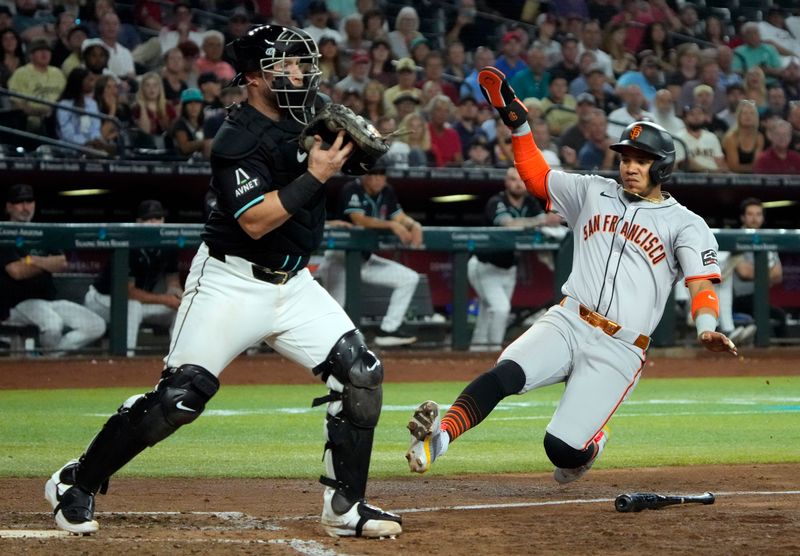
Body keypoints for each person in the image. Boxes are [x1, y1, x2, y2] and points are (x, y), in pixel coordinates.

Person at [44, 25, 402, 539]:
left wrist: (360, 154)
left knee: (361, 373)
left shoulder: (311, 109)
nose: (301, 74)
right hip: (229, 281)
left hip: (293, 283)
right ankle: (76, 481)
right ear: (255, 78)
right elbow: (256, 220)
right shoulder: (235, 138)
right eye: (288, 66)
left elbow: (361, 158)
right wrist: (319, 173)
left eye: (303, 65)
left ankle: (346, 506)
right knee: (181, 398)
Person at [404, 66, 736, 483]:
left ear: (662, 168)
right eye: (626, 158)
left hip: (621, 347)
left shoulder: (685, 223)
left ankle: (594, 441)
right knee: (505, 374)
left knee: (561, 450)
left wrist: (706, 327)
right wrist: (520, 127)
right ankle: (442, 437)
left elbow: (701, 283)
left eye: (642, 161)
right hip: (570, 318)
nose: (630, 167)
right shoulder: (592, 190)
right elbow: (537, 178)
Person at [320, 157, 422, 347]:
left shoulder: (387, 191)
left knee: (408, 278)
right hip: (340, 259)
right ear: (364, 175)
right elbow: (359, 219)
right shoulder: (352, 189)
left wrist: (413, 224)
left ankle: (388, 330)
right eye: (373, 174)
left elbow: (399, 217)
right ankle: (320, 346)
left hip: (365, 260)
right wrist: (391, 225)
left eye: (381, 175)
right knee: (334, 309)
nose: (377, 179)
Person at [1, 184, 106, 354]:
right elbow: (17, 272)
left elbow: (62, 262)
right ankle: (48, 364)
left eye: (29, 201)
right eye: (19, 202)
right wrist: (45, 262)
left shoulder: (42, 232)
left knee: (96, 325)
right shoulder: (3, 233)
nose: (25, 207)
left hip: (49, 301)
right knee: (53, 325)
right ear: (8, 206)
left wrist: (32, 261)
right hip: (17, 305)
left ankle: (49, 357)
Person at [467, 166, 561, 352]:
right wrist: (541, 219)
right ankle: (493, 352)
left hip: (509, 268)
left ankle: (476, 351)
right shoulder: (497, 201)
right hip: (485, 265)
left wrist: (549, 218)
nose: (517, 184)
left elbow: (550, 221)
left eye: (521, 180)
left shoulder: (530, 202)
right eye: (512, 179)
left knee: (489, 311)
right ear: (506, 182)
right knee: (500, 309)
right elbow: (508, 224)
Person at [84, 200, 182, 356]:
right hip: (103, 300)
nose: (154, 223)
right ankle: (124, 359)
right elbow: (128, 292)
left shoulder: (168, 244)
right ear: (138, 222)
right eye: (148, 219)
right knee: (133, 306)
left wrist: (176, 294)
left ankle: (178, 357)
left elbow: (172, 280)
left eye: (158, 218)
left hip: (140, 302)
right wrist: (165, 299)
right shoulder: (128, 243)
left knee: (181, 308)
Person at [732, 198, 787, 339]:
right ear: (743, 217)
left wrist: (755, 271)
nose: (754, 218)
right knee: (771, 316)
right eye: (750, 214)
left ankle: (781, 357)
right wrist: (767, 273)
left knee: (780, 317)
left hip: (760, 297)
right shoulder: (735, 238)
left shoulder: (767, 238)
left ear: (762, 218)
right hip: (738, 299)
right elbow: (744, 272)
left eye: (758, 214)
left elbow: (779, 275)